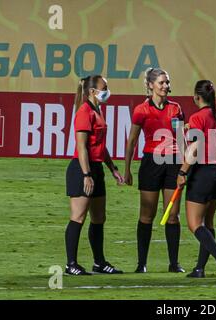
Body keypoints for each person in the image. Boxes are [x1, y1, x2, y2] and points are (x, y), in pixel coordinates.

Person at [124, 67, 185, 273]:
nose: (166, 86)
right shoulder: (141, 110)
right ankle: (141, 263)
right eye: (162, 82)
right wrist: (127, 170)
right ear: (150, 85)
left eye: (167, 82)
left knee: (173, 214)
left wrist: (184, 168)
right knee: (146, 215)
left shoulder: (176, 108)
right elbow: (132, 141)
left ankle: (174, 263)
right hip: (151, 162)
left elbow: (182, 140)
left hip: (173, 162)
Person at [65, 75, 124, 275]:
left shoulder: (97, 110)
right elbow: (81, 147)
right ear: (92, 91)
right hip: (83, 169)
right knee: (78, 217)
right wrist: (86, 174)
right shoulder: (84, 112)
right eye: (104, 87)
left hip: (96, 168)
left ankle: (99, 262)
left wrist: (112, 168)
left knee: (99, 217)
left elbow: (100, 146)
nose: (107, 90)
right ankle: (71, 264)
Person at [177, 80, 216, 279]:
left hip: (202, 173)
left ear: (196, 97)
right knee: (208, 223)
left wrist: (182, 172)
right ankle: (200, 268)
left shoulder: (197, 117)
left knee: (195, 224)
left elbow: (194, 149)